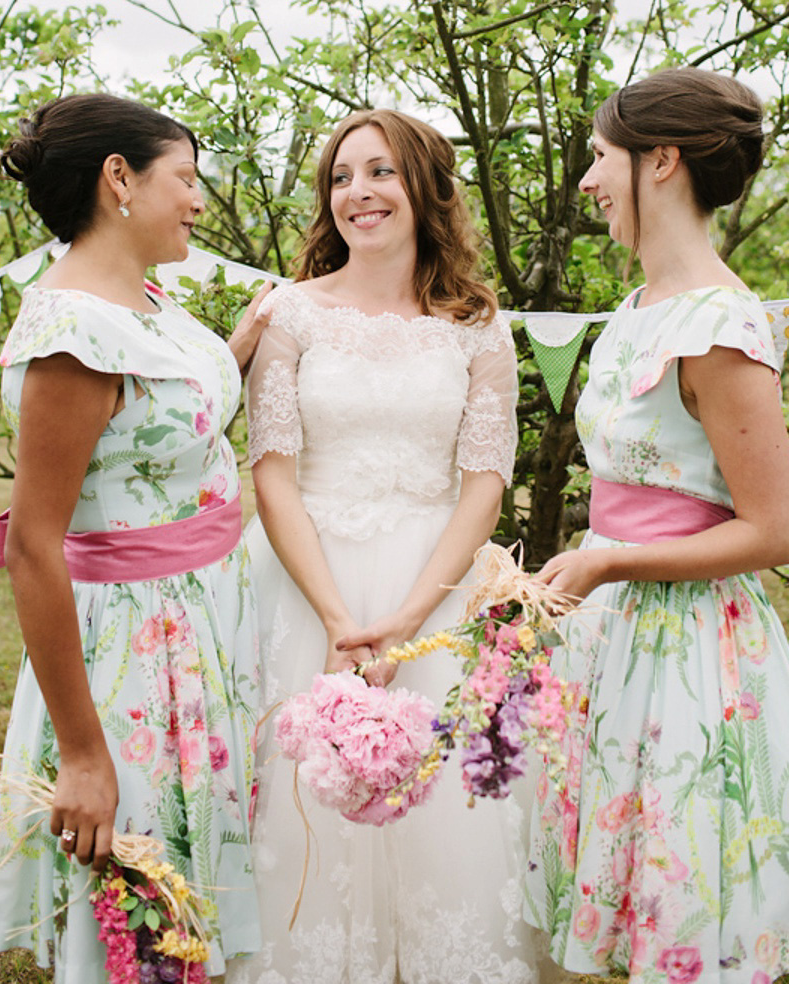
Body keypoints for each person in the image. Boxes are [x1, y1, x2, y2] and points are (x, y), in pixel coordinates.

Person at [526, 68, 789, 981]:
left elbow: (773, 531)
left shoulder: (719, 326)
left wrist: (613, 563)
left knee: (684, 908)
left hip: (687, 647)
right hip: (613, 628)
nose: (588, 182)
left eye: (601, 158)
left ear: (661, 160)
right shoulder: (636, 310)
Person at [228, 109, 541, 984]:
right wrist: (338, 615)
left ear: (426, 188)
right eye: (339, 177)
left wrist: (409, 618)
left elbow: (484, 481)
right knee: (302, 803)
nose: (357, 194)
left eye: (380, 173)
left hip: (435, 587)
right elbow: (274, 472)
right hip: (302, 580)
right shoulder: (290, 314)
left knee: (447, 810)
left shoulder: (478, 324)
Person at [0, 93, 271, 982]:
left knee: (186, 909)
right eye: (185, 177)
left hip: (199, 626)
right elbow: (34, 547)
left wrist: (237, 350)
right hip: (130, 655)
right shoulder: (72, 335)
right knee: (137, 921)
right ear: (119, 180)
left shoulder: (141, 298)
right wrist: (84, 754)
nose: (199, 201)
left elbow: (153, 425)